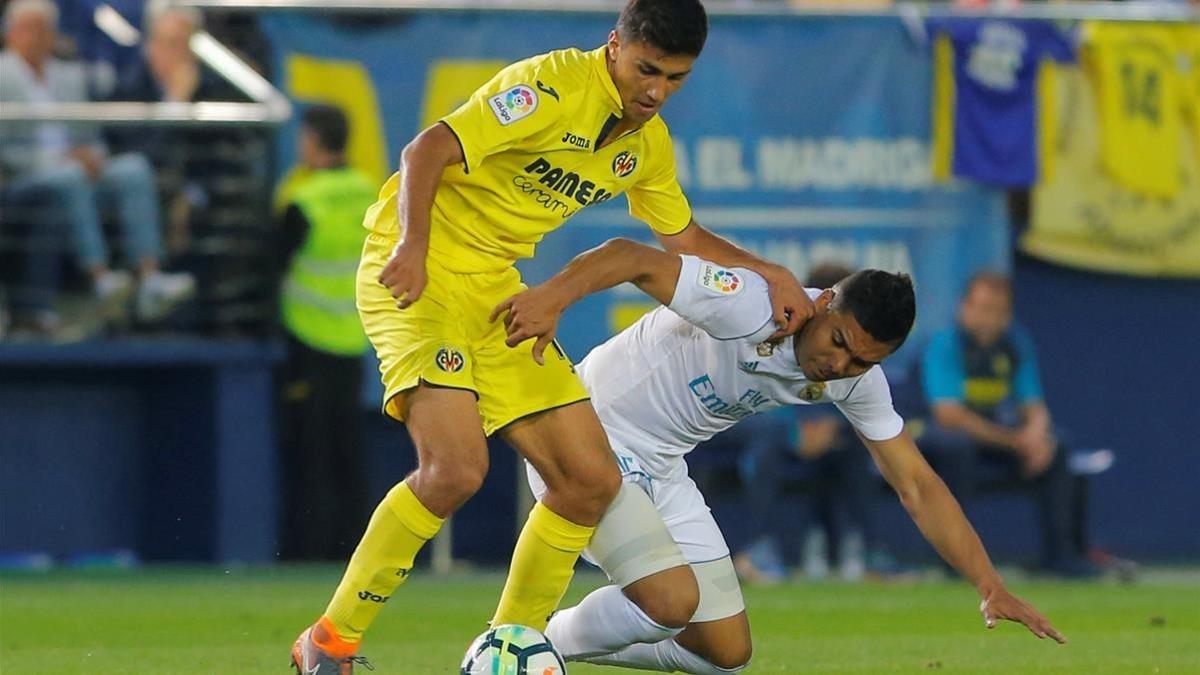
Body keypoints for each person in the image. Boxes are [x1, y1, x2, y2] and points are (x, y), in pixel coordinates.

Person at [289, 1, 813, 672]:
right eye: (646, 69)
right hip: (418, 270)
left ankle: (507, 646)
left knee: (589, 479)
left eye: (675, 78)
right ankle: (329, 643)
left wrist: (772, 273)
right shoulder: (551, 87)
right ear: (614, 45)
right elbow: (427, 149)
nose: (655, 91)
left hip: (496, 290)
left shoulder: (644, 146)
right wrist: (414, 245)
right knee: (454, 470)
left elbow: (683, 240)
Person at [499, 238, 1064, 673]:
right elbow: (630, 257)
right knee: (670, 602)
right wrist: (551, 298)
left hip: (662, 465)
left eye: (862, 362)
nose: (838, 366)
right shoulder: (749, 302)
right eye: (840, 343)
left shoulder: (852, 380)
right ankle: (518, 648)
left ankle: (542, 644)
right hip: (588, 429)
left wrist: (989, 584)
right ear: (824, 304)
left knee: (724, 652)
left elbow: (917, 484)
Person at [0, 0, 195, 323]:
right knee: (73, 175)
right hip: (28, 173)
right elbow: (6, 147)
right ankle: (100, 277)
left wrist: (94, 156)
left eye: (43, 29)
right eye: (28, 28)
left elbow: (91, 134)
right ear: (11, 32)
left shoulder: (69, 75)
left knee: (133, 168)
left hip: (78, 166)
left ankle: (150, 278)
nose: (36, 36)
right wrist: (62, 158)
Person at [917, 271, 1093, 577]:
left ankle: (1061, 558)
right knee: (956, 446)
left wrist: (1037, 438)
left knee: (1058, 445)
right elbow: (949, 415)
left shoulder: (1014, 343)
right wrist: (1015, 441)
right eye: (982, 309)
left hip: (993, 437)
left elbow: (1034, 405)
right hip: (935, 438)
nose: (989, 319)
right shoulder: (945, 344)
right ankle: (958, 559)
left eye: (998, 311)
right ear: (965, 308)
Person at [730, 262, 892, 584]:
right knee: (763, 451)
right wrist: (792, 430)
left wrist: (833, 426)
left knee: (858, 449)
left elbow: (852, 396)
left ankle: (869, 551)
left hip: (827, 439)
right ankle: (757, 549)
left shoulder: (855, 352)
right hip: (768, 434)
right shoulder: (770, 327)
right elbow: (749, 392)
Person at [275, 105, 376, 561]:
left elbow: (270, 263)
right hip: (356, 336)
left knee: (309, 453)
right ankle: (354, 549)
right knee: (349, 452)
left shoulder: (303, 197)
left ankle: (309, 550)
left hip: (307, 337)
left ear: (312, 141)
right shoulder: (368, 191)